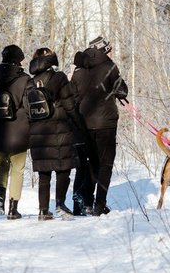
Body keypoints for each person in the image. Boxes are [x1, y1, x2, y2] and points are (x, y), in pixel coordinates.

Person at [70, 36, 127, 215]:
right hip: (106, 123)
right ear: (104, 50)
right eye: (109, 50)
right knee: (105, 164)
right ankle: (99, 204)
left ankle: (87, 202)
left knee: (91, 163)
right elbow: (122, 90)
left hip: (84, 124)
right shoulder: (109, 67)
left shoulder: (78, 71)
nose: (111, 52)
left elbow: (71, 96)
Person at [0, 44, 33, 220]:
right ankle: (13, 208)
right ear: (18, 60)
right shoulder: (25, 80)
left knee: (1, 165)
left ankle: (0, 195)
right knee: (17, 169)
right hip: (19, 131)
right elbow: (29, 105)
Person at [28, 47, 79, 221]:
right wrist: (79, 124)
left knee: (44, 173)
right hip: (59, 130)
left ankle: (43, 210)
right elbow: (70, 105)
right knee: (63, 169)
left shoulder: (30, 82)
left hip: (37, 133)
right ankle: (60, 204)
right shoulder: (59, 78)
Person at [69, 50, 99, 215]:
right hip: (87, 129)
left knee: (81, 167)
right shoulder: (88, 78)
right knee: (89, 167)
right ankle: (86, 201)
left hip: (75, 130)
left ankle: (78, 204)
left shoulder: (72, 79)